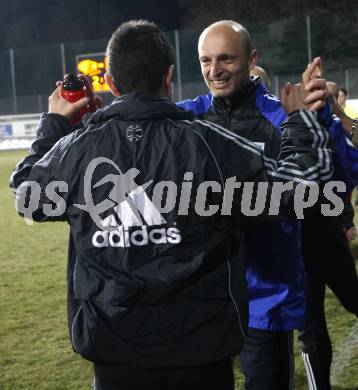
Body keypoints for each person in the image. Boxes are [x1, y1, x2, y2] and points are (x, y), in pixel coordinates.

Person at [11, 20, 331, 390]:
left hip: (112, 346)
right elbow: (301, 192)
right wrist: (301, 123)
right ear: (170, 76)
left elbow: (27, 195)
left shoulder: (79, 147)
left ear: (112, 84)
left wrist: (54, 124)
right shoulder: (211, 145)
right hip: (200, 348)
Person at [177, 20, 358, 390]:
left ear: (251, 58)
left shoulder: (281, 117)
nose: (215, 70)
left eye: (226, 58)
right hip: (207, 297)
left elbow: (325, 185)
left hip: (265, 298)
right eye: (206, 60)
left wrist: (319, 118)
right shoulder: (188, 116)